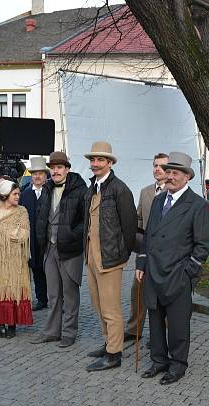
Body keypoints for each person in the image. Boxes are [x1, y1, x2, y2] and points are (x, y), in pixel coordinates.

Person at [136, 152, 209, 384]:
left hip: (178, 274)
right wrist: (141, 263)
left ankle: (178, 364)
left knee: (178, 324)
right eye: (167, 172)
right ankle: (158, 360)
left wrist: (188, 271)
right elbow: (148, 235)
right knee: (155, 320)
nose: (169, 176)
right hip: (154, 272)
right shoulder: (159, 200)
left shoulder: (197, 204)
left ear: (187, 177)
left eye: (175, 173)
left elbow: (202, 245)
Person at [83, 141, 138, 372]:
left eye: (100, 160)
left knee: (111, 308)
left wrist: (120, 256)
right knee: (97, 304)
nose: (95, 164)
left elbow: (130, 227)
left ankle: (114, 354)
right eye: (93, 160)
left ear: (110, 163)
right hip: (92, 257)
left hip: (110, 259)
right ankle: (109, 343)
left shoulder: (120, 189)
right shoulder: (92, 187)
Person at [32, 151, 88, 347]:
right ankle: (51, 331)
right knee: (53, 294)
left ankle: (69, 332)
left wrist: (72, 234)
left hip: (70, 250)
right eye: (53, 168)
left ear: (67, 169)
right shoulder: (47, 188)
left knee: (70, 294)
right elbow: (41, 215)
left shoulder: (80, 189)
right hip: (50, 248)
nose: (56, 171)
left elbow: (85, 220)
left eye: (59, 167)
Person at [125, 152, 169, 342]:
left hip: (166, 254)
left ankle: (160, 335)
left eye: (162, 166)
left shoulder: (174, 193)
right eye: (155, 165)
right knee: (138, 291)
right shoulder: (145, 192)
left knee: (163, 295)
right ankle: (134, 329)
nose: (157, 169)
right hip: (145, 252)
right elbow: (139, 220)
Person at [0, 180, 33, 338]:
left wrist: (1, 232)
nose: (18, 196)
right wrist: (9, 232)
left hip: (15, 260)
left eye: (18, 193)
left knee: (13, 289)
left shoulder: (21, 211)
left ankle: (11, 326)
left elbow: (24, 233)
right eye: (15, 194)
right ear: (4, 195)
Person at [20, 157, 49, 311]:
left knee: (51, 271)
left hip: (48, 239)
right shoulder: (25, 195)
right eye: (34, 174)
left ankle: (58, 300)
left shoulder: (51, 192)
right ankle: (41, 299)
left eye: (40, 173)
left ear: (46, 175)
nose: (37, 176)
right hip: (31, 240)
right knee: (36, 269)